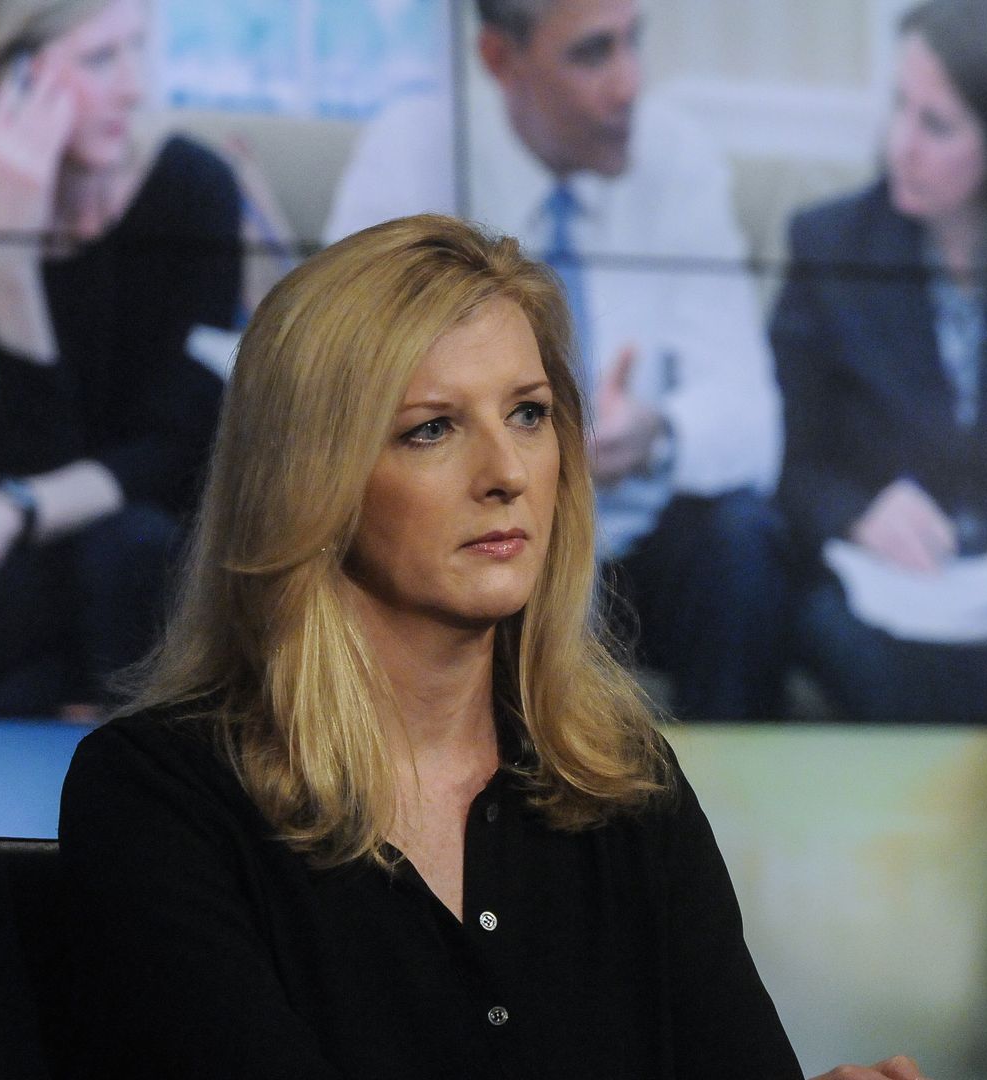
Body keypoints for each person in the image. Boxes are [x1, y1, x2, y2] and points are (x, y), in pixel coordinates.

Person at [58, 215, 924, 1080]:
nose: (507, 472)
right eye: (432, 428)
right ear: (310, 479)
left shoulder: (621, 786)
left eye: (529, 414)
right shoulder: (157, 799)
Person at [325, 0, 789, 720]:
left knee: (744, 540)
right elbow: (339, 411)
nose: (629, 82)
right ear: (500, 62)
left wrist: (655, 437)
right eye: (592, 53)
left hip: (632, 549)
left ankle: (727, 822)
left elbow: (754, 429)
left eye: (634, 42)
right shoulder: (413, 154)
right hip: (473, 537)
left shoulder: (678, 157)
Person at [0, 0, 243, 716]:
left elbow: (177, 449)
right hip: (7, 561)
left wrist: (16, 507)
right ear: (5, 80)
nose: (134, 87)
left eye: (137, 49)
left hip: (146, 549)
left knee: (128, 552)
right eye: (101, 59)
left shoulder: (193, 191)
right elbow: (12, 456)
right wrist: (10, 256)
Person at [769, 0, 987, 726]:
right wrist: (858, 513)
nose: (902, 145)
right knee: (869, 653)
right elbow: (785, 461)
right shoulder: (830, 245)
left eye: (937, 125)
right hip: (882, 589)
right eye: (900, 107)